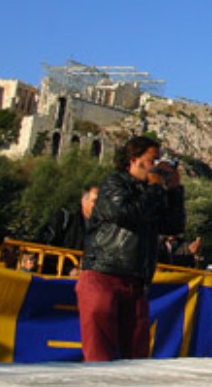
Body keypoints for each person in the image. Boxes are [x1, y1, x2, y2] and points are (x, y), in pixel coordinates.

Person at [76, 137, 185, 362]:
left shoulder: (153, 193)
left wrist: (174, 191)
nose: (155, 166)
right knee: (99, 353)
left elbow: (173, 226)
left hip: (136, 281)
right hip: (104, 274)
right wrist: (156, 187)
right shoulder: (113, 183)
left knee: (135, 356)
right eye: (152, 160)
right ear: (133, 160)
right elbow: (126, 213)